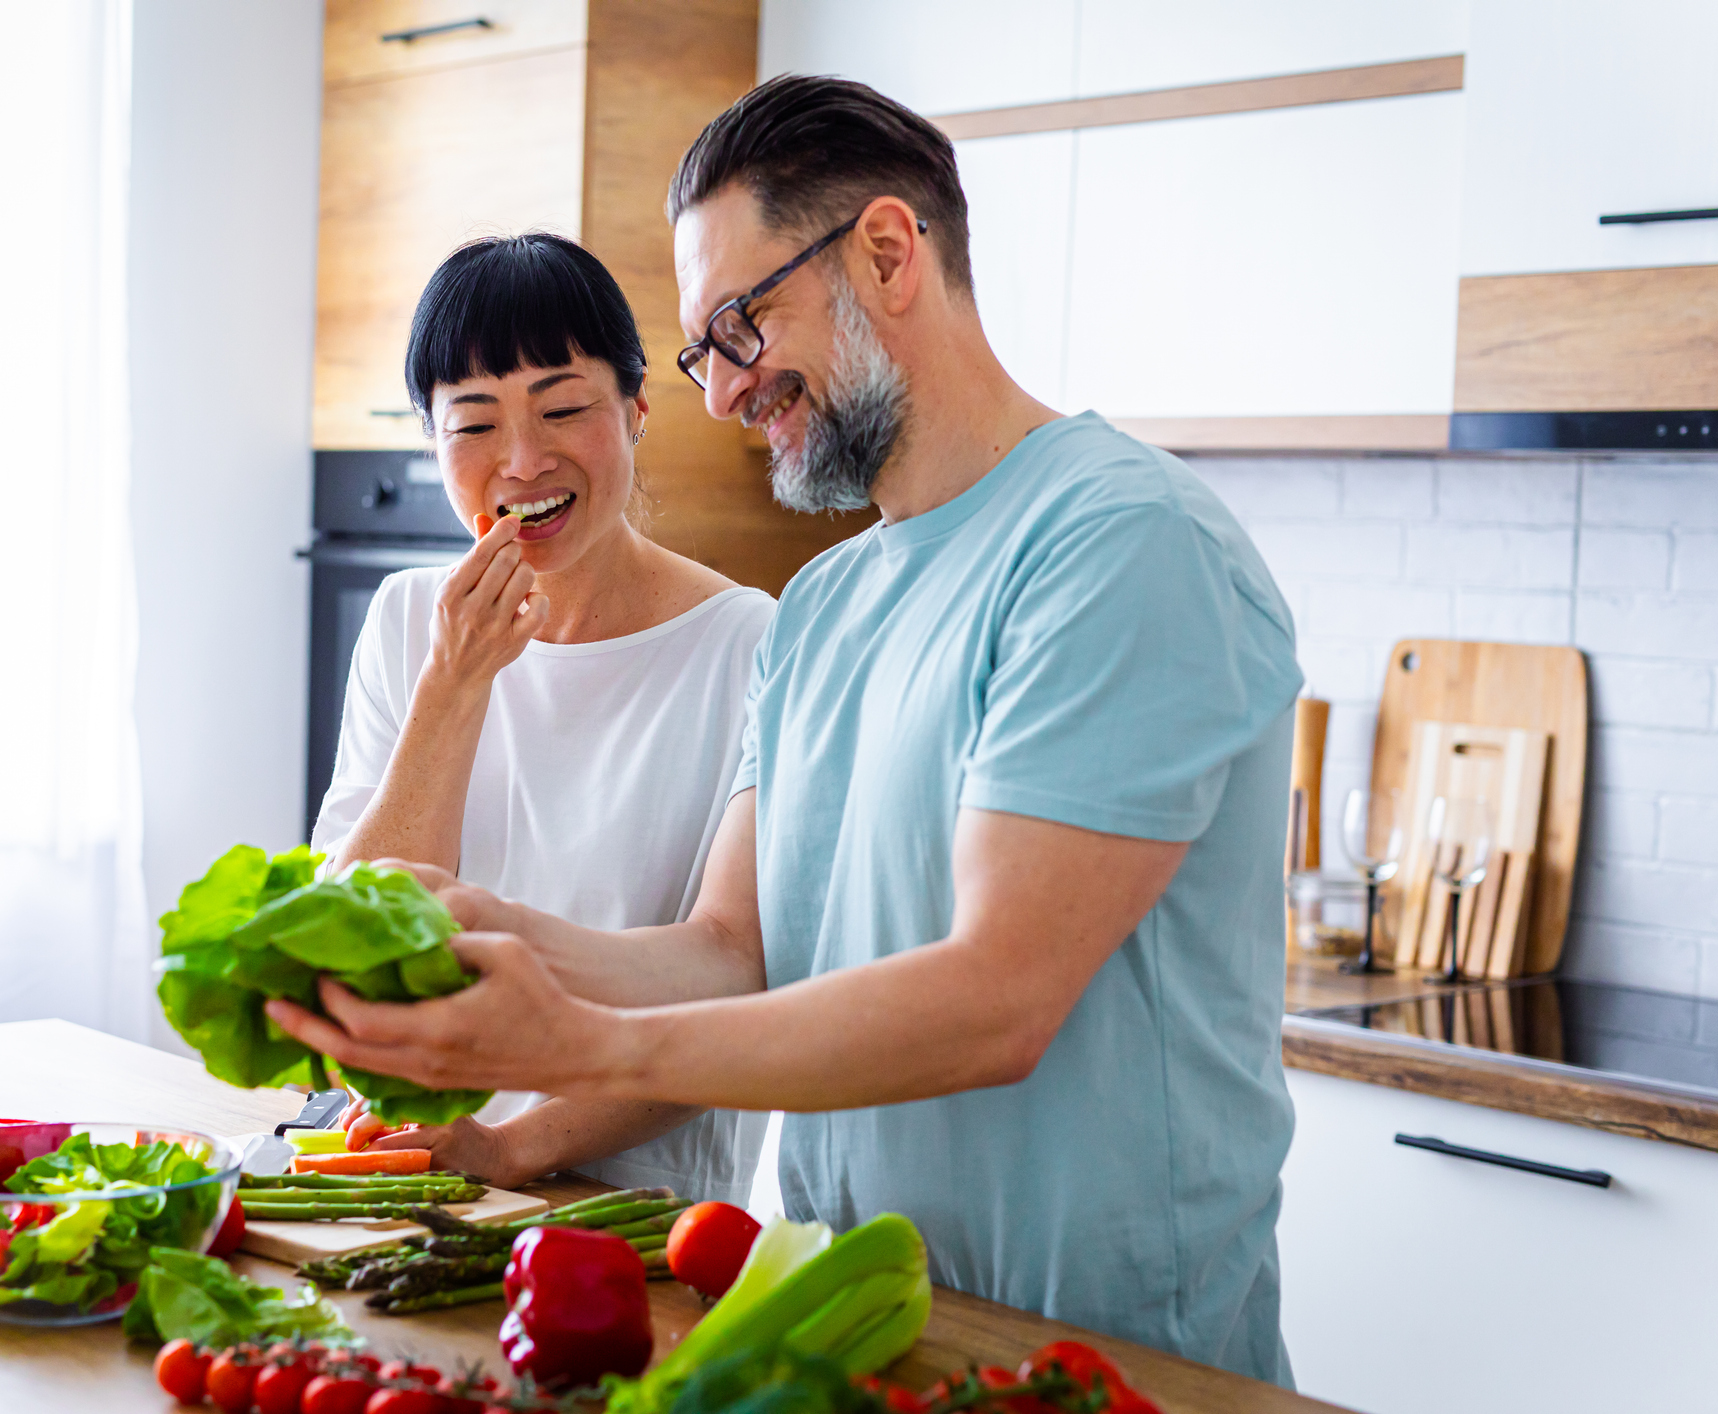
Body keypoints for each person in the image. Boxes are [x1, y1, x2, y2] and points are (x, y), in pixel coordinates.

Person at [273, 78, 1303, 1383]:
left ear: (884, 252)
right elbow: (730, 950)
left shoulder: (1117, 543)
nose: (721, 395)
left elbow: (995, 1000)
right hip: (839, 1321)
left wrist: (572, 1047)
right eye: (704, 351)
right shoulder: (824, 607)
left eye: (739, 328)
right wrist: (495, 928)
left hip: (1093, 1352)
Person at [310, 232, 772, 1205]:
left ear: (639, 410)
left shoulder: (753, 645)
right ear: (432, 443)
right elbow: (346, 953)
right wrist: (453, 686)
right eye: (472, 425)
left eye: (563, 408)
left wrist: (514, 1146)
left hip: (639, 1211)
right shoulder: (405, 623)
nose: (523, 460)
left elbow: (737, 979)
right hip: (411, 1180)